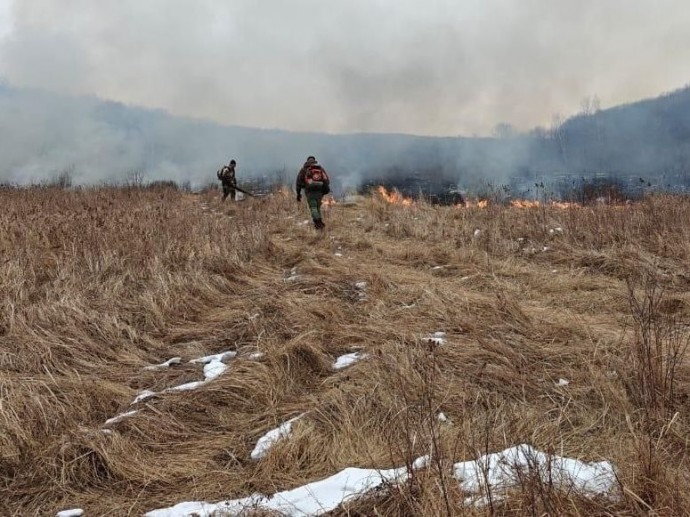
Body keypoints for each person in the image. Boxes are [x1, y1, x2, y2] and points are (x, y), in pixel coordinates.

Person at [296, 156, 330, 230]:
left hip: (310, 192)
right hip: (320, 192)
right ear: (314, 161)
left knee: (313, 207)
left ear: (307, 161)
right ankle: (319, 223)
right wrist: (324, 190)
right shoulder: (319, 168)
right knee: (317, 207)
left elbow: (298, 183)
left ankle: (318, 224)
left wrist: (298, 194)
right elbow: (327, 181)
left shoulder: (304, 169)